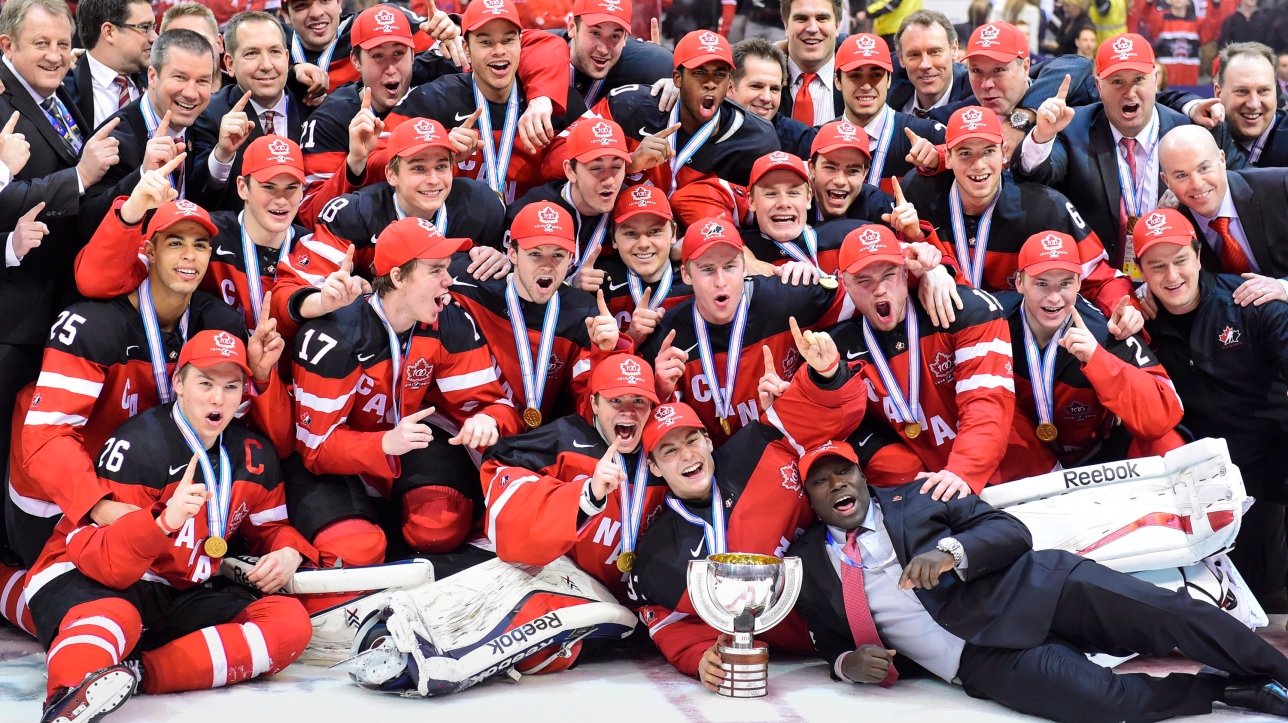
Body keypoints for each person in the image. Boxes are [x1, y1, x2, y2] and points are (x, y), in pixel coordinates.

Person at [782, 438, 1288, 721]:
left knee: (1176, 614)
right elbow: (829, 639)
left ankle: (1278, 673)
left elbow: (1009, 530)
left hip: (1040, 589)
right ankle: (1224, 692)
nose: (837, 486)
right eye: (821, 482)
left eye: (843, 472)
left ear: (862, 477)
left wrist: (950, 552)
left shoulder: (919, 496)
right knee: (1103, 703)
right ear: (811, 498)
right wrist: (848, 663)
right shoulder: (809, 565)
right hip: (979, 660)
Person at [28, 331, 314, 723]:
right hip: (88, 576)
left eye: (231, 387)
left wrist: (288, 551)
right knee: (118, 618)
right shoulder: (138, 446)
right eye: (206, 383)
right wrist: (162, 522)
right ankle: (67, 698)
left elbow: (270, 527)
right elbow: (103, 562)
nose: (218, 398)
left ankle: (136, 675)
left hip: (178, 588)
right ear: (179, 383)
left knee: (290, 622)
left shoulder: (254, 455)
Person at [10, 193, 289, 569]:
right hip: (63, 494)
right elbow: (47, 432)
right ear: (150, 251)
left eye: (200, 245)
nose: (189, 255)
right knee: (70, 588)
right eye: (175, 243)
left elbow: (247, 431)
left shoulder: (220, 324)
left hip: (151, 486)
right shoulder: (93, 326)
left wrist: (260, 376)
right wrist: (97, 505)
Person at [630, 320, 869, 681]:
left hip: (857, 596)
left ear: (709, 441)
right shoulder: (660, 550)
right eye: (669, 450)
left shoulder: (756, 448)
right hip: (805, 652)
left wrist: (826, 373)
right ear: (655, 467)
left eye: (692, 441)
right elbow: (667, 618)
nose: (687, 455)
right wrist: (699, 657)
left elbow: (814, 411)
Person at [289, 217, 523, 566]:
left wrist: (487, 420)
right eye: (435, 270)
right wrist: (382, 445)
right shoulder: (334, 337)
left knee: (438, 528)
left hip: (404, 442)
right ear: (397, 277)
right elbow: (315, 449)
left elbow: (494, 403)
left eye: (447, 268)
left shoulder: (449, 321)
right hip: (336, 461)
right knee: (355, 550)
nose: (449, 280)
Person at [0, 0, 121, 539]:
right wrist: (78, 178)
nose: (54, 56)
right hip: (10, 312)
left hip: (46, 305)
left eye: (60, 45)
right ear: (8, 47)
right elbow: (2, 201)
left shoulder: (51, 99)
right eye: (39, 44)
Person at [821, 223, 1056, 496]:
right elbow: (830, 426)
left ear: (906, 271)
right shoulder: (838, 348)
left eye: (889, 274)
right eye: (864, 281)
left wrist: (963, 470)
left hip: (1028, 479)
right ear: (844, 282)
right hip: (943, 492)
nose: (879, 290)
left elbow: (987, 401)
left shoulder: (967, 309)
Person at [1136, 206, 1288, 613]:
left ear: (1198, 254)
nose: (1172, 277)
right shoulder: (1139, 328)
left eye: (1180, 261)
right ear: (1141, 272)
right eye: (1157, 266)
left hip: (1272, 472)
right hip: (1202, 491)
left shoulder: (1248, 302)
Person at [1015, 32, 1245, 283]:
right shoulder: (1073, 128)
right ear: (1098, 86)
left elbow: (1244, 189)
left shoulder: (1194, 131)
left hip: (1178, 287)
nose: (1130, 92)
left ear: (1155, 80)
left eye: (1139, 79)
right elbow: (1037, 175)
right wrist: (1042, 135)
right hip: (1100, 288)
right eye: (1117, 82)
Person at [299, 4, 571, 206]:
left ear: (414, 53)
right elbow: (311, 211)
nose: (391, 68)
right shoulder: (332, 118)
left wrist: (541, 98)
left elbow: (544, 43)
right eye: (377, 56)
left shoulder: (435, 71)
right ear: (356, 62)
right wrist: (356, 162)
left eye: (399, 54)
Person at [278, 118, 508, 339]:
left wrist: (504, 259)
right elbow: (287, 291)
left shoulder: (479, 205)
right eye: (418, 168)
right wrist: (324, 301)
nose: (433, 179)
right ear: (391, 174)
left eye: (441, 166)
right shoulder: (357, 213)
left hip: (444, 342)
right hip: (373, 339)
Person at [73, 136, 317, 342]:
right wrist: (130, 213)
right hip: (213, 381)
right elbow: (96, 282)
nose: (281, 199)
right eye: (269, 187)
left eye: (291, 188)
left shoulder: (315, 248)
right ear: (242, 187)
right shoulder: (201, 234)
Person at [636, 216, 853, 447]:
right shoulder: (667, 337)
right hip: (712, 461)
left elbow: (862, 290)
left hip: (787, 445)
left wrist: (817, 273)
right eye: (708, 270)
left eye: (729, 267)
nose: (721, 281)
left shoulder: (786, 299)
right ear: (687, 275)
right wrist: (660, 390)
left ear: (744, 266)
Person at [905, 105, 1137, 320]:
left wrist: (1125, 308)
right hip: (945, 338)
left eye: (988, 151)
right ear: (947, 157)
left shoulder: (1046, 208)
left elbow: (1100, 278)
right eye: (965, 153)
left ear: (1004, 152)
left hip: (1024, 343)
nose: (978, 165)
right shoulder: (918, 197)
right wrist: (927, 270)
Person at [481, 354, 665, 606]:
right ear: (595, 403)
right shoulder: (565, 440)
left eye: (638, 401)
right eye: (616, 400)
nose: (628, 411)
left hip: (645, 604)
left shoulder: (665, 451)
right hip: (568, 594)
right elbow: (511, 523)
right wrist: (585, 497)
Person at [551, 29, 777, 226]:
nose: (710, 82)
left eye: (719, 73)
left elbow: (769, 216)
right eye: (699, 72)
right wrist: (625, 163)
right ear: (677, 79)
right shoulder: (628, 105)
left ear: (729, 83)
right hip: (619, 239)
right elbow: (553, 161)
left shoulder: (758, 139)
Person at [1003, 229, 1184, 466]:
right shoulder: (993, 320)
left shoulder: (1106, 332)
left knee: (1169, 445)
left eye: (1065, 283)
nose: (1054, 297)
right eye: (1042, 284)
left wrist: (1100, 363)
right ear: (1019, 282)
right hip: (1019, 458)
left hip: (1096, 458)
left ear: (1079, 282)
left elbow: (1165, 413)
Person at [382, 0, 587, 205]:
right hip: (456, 231)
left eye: (508, 40)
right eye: (486, 42)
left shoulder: (557, 102)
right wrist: (435, 147)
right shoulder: (433, 99)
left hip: (534, 229)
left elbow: (592, 169)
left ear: (521, 43)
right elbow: (378, 160)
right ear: (466, 48)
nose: (499, 51)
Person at [447, 202, 628, 429]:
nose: (547, 266)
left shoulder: (584, 313)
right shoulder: (471, 279)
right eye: (535, 254)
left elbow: (589, 409)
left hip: (533, 439)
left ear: (572, 257)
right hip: (466, 425)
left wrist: (605, 353)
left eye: (558, 255)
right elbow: (413, 266)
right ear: (512, 253)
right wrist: (436, 296)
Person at [81, 29, 216, 236]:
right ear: (152, 76)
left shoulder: (205, 124)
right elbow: (85, 222)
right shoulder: (113, 138)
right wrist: (143, 176)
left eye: (202, 81)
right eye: (180, 77)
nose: (191, 93)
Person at [188, 12, 309, 213]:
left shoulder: (312, 104)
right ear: (230, 64)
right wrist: (223, 154)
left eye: (275, 52)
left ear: (287, 58)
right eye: (252, 53)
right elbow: (200, 201)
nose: (267, 65)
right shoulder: (209, 114)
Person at [740, 149, 927, 277]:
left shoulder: (846, 234)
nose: (783, 203)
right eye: (771, 194)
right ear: (751, 202)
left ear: (808, 198)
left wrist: (935, 272)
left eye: (793, 193)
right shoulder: (735, 249)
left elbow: (918, 258)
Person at [1158, 125, 1288, 302]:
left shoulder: (1280, 187)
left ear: (1222, 159)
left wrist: (1283, 287)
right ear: (1167, 181)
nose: (1196, 184)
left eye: (1203, 168)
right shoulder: (1174, 223)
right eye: (1181, 175)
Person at [506, 116, 631, 278]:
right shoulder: (529, 212)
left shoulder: (629, 206)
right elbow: (516, 284)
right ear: (570, 171)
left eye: (616, 167)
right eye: (596, 168)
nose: (609, 180)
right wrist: (570, 287)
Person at [573, 184, 694, 344]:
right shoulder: (600, 284)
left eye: (655, 231)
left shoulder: (694, 283)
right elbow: (586, 363)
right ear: (614, 239)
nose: (643, 243)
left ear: (673, 234)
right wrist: (631, 338)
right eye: (631, 233)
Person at [830, 32, 946, 192]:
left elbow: (974, 157)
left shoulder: (926, 135)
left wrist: (940, 158)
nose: (866, 86)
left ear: (889, 79)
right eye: (855, 75)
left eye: (875, 75)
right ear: (838, 81)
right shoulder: (820, 139)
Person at [563, 0, 674, 109]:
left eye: (615, 36)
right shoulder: (546, 52)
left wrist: (678, 94)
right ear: (572, 27)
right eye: (595, 33)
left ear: (625, 37)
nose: (603, 50)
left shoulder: (648, 67)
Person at [64, 0, 153, 129]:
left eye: (153, 27)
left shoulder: (157, 80)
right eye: (145, 27)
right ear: (109, 32)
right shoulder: (63, 89)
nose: (154, 37)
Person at [729, 38, 816, 160]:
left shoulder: (799, 139)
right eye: (756, 86)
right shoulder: (704, 129)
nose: (767, 98)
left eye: (774, 89)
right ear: (729, 88)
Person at [806, 118, 901, 226]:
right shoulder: (792, 203)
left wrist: (914, 234)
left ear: (865, 173)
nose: (840, 181)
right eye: (830, 168)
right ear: (812, 168)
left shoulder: (880, 207)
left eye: (852, 171)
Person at [1214, 42, 1287, 168]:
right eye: (1241, 91)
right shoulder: (1201, 137)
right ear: (1218, 93)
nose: (1253, 104)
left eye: (1263, 91)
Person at [887, 10, 972, 118]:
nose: (925, 64)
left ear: (954, 49)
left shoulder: (975, 95)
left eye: (935, 52)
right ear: (901, 58)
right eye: (914, 55)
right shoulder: (886, 90)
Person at [778, 0, 844, 126]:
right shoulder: (762, 77)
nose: (812, 29)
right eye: (801, 19)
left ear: (837, 26)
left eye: (822, 18)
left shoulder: (859, 79)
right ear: (786, 26)